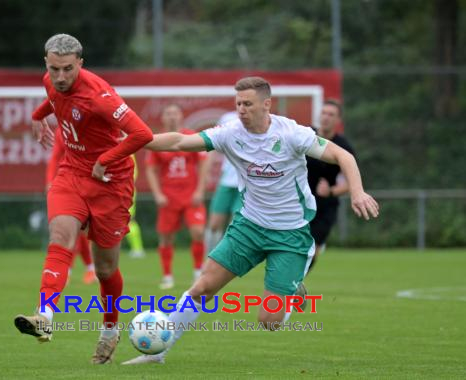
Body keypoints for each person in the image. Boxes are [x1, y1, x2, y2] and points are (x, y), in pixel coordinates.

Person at [123, 76, 379, 365]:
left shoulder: (292, 133)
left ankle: (292, 292)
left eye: (248, 104)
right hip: (249, 227)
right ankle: (160, 352)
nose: (241, 109)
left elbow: (342, 155)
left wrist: (357, 192)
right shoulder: (230, 133)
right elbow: (181, 141)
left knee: (270, 321)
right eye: (238, 103)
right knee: (203, 286)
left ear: (266, 105)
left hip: (290, 235)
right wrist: (135, 140)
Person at [13, 33, 153, 364]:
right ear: (46, 63)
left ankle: (109, 328)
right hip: (72, 175)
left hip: (110, 183)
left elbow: (142, 134)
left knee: (106, 269)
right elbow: (54, 98)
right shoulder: (51, 80)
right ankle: (44, 318)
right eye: (54, 68)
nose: (60, 77)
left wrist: (105, 160)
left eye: (67, 69)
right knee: (60, 237)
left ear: (80, 64)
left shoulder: (101, 96)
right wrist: (37, 116)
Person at [145, 104, 209, 289]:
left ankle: (198, 272)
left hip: (190, 195)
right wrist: (157, 194)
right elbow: (151, 169)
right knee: (166, 237)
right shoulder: (157, 140)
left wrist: (200, 190)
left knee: (198, 232)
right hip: (168, 196)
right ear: (163, 118)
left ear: (181, 116)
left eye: (175, 113)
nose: (172, 117)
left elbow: (203, 163)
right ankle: (167, 276)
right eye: (168, 113)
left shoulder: (191, 136)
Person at [307, 99, 355, 273]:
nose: (326, 117)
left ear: (338, 120)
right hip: (299, 203)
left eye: (331, 114)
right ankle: (290, 286)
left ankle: (294, 284)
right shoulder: (306, 135)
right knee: (291, 247)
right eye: (324, 113)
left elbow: (351, 183)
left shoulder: (343, 147)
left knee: (312, 252)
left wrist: (331, 190)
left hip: (325, 207)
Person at [46, 130, 96, 285]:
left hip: (92, 184)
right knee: (71, 231)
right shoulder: (63, 130)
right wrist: (49, 181)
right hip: (69, 184)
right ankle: (73, 270)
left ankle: (88, 269)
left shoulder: (94, 127)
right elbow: (55, 157)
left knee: (84, 233)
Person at [203, 111, 242, 254]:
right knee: (214, 224)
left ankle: (226, 257)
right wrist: (207, 171)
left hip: (246, 184)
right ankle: (208, 257)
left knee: (235, 225)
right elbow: (214, 145)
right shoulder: (227, 118)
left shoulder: (259, 119)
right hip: (226, 181)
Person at [126, 154, 147, 258]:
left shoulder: (128, 152)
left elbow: (133, 174)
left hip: (126, 191)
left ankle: (137, 249)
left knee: (129, 220)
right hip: (119, 190)